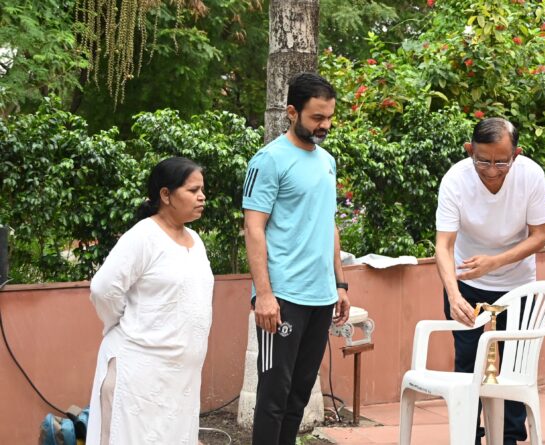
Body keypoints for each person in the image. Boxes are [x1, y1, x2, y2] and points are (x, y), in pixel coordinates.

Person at [242, 72, 350, 445]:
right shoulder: (269, 159)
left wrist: (339, 283)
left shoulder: (327, 161)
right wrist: (265, 295)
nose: (325, 126)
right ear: (292, 112)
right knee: (274, 397)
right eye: (317, 118)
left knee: (298, 397)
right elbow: (253, 228)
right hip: (283, 298)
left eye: (330, 117)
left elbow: (328, 223)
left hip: (321, 297)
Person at [435, 117, 545, 445]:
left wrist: (495, 262)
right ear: (470, 150)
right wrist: (453, 293)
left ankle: (509, 438)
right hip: (467, 283)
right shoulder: (456, 179)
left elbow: (539, 236)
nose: (492, 169)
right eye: (482, 160)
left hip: (517, 282)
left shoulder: (531, 175)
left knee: (511, 366)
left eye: (502, 161)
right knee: (468, 362)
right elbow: (443, 244)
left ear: (517, 153)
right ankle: (467, 435)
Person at [86, 157, 213, 445]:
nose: (202, 197)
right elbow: (103, 289)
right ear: (165, 195)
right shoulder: (143, 236)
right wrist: (123, 323)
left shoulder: (195, 239)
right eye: (193, 190)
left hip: (180, 381)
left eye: (202, 190)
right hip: (138, 375)